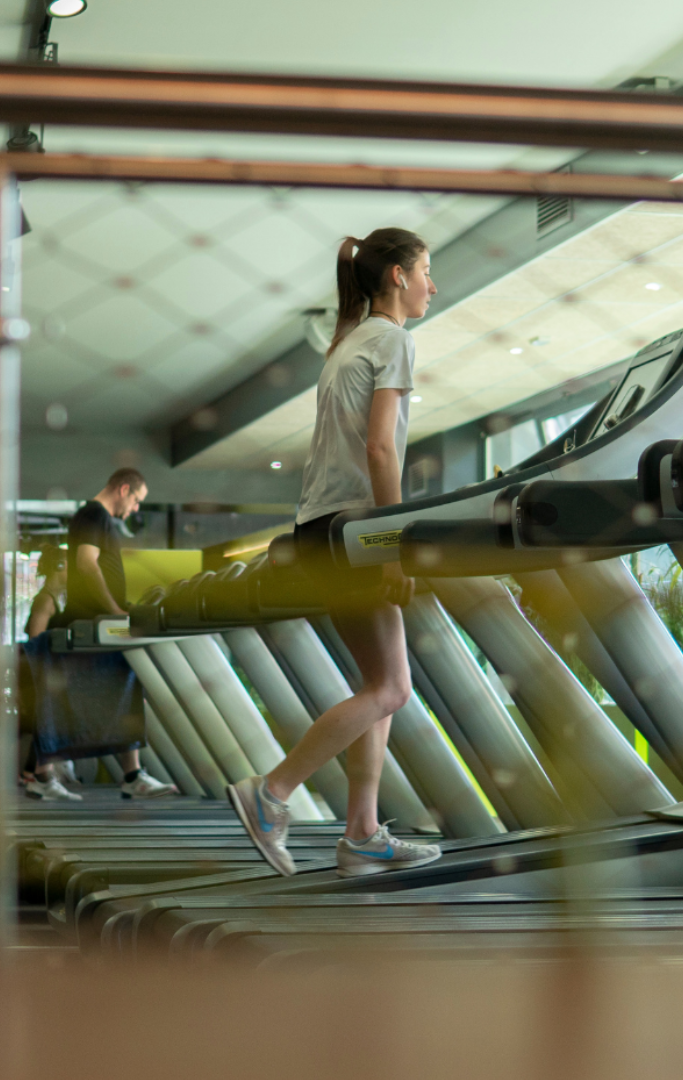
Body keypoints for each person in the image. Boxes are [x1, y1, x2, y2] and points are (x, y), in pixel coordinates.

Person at [227, 228, 444, 879]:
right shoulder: (392, 340)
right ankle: (270, 795)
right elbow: (381, 449)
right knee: (391, 688)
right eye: (427, 271)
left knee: (379, 687)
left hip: (320, 528)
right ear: (399, 276)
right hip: (354, 532)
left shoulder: (348, 340)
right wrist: (392, 545)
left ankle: (361, 832)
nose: (434, 285)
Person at [61, 469, 175, 799]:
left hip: (101, 618)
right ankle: (130, 774)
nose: (136, 509)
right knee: (125, 685)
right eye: (137, 500)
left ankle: (131, 774)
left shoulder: (94, 516)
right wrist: (113, 609)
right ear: (123, 489)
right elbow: (86, 563)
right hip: (100, 620)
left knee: (124, 686)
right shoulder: (94, 514)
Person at [19, 546, 80, 801]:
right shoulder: (45, 600)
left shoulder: (56, 598)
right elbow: (35, 639)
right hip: (39, 671)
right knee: (48, 722)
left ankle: (35, 776)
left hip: (47, 671)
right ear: (59, 567)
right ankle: (42, 778)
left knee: (50, 722)